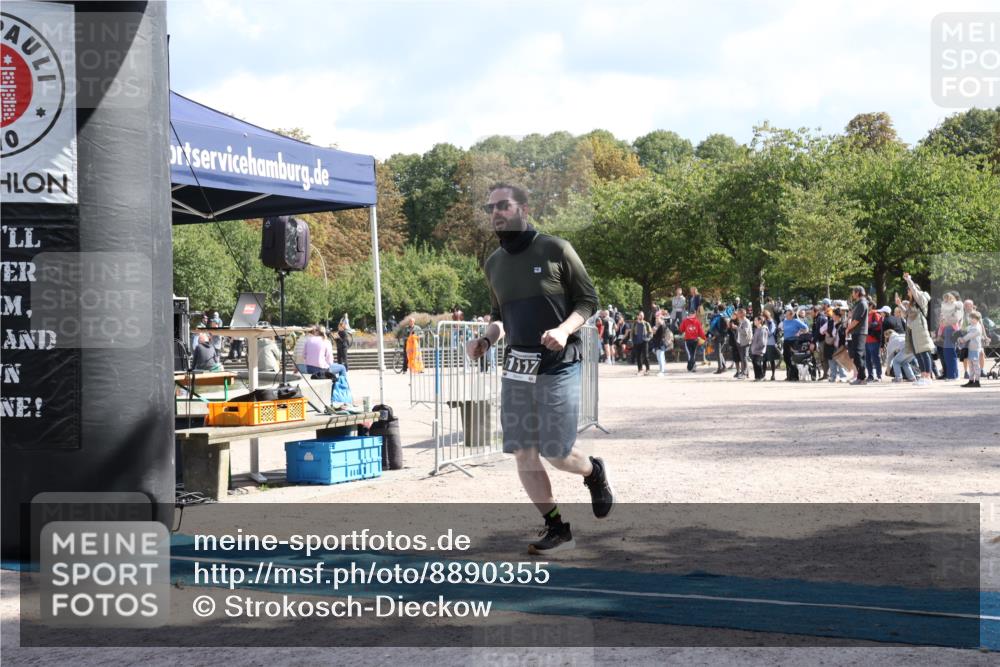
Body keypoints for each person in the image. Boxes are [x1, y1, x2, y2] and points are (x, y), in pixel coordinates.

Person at [465, 182, 612, 555]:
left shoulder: (556, 249)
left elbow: (588, 301)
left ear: (523, 209)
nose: (496, 212)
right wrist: (486, 340)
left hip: (558, 363)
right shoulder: (493, 263)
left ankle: (592, 471)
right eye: (491, 207)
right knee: (522, 451)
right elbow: (500, 317)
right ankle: (557, 528)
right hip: (517, 368)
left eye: (503, 205)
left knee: (557, 452)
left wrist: (564, 331)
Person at [899, 273, 935, 386]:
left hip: (920, 328)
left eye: (909, 290)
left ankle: (927, 376)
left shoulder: (920, 299)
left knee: (924, 352)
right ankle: (923, 375)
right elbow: (907, 315)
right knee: (918, 354)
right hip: (913, 330)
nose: (908, 292)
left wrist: (909, 280)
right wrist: (900, 305)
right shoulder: (912, 303)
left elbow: (914, 290)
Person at [844, 286, 870, 385]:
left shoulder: (862, 304)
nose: (852, 294)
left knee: (858, 355)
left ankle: (862, 378)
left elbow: (856, 320)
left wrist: (848, 328)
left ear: (858, 292)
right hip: (856, 332)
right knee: (857, 355)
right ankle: (860, 377)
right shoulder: (858, 303)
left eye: (853, 292)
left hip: (860, 332)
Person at [936, 291, 963, 380]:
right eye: (944, 300)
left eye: (947, 299)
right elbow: (941, 323)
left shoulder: (956, 307)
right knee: (948, 354)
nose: (945, 301)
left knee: (951, 354)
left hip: (952, 331)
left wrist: (945, 321)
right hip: (946, 331)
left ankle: (953, 375)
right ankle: (952, 375)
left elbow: (956, 320)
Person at [958, 311, 986, 388]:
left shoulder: (977, 327)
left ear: (977, 319)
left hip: (975, 348)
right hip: (970, 348)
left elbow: (970, 335)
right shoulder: (971, 326)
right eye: (970, 318)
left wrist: (962, 339)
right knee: (970, 365)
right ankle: (971, 381)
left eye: (972, 318)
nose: (970, 319)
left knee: (976, 365)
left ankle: (977, 381)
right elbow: (964, 331)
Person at [780, 308, 809, 381]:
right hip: (786, 341)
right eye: (785, 314)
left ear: (791, 315)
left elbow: (806, 328)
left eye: (787, 314)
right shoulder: (785, 321)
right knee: (786, 358)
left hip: (794, 341)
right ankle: (790, 375)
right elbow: (782, 328)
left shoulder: (796, 321)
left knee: (793, 358)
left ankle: (795, 376)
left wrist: (800, 332)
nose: (785, 315)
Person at [864, 304, 884, 383]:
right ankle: (870, 376)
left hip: (874, 341)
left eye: (867, 305)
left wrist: (867, 326)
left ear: (871, 306)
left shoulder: (876, 314)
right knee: (867, 360)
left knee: (876, 359)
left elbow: (878, 325)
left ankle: (879, 376)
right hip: (866, 340)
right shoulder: (867, 315)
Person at [708, 305, 729, 374]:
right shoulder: (726, 316)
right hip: (725, 336)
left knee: (718, 352)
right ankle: (724, 367)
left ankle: (720, 368)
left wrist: (712, 334)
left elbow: (711, 327)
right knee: (720, 352)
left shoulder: (717, 316)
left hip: (718, 336)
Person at [631, 311, 652, 375]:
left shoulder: (646, 324)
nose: (642, 316)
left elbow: (650, 333)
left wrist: (648, 339)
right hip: (637, 342)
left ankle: (648, 369)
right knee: (638, 356)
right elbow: (632, 333)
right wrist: (632, 340)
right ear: (637, 316)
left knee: (646, 356)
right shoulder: (634, 324)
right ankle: (640, 369)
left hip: (644, 341)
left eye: (642, 315)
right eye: (640, 315)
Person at [733, 308, 752, 379]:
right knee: (742, 358)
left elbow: (745, 332)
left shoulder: (746, 321)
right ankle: (745, 373)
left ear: (742, 314)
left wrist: (736, 328)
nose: (737, 314)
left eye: (738, 313)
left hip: (745, 342)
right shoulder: (741, 321)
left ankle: (745, 373)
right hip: (740, 342)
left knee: (744, 358)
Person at [750, 315, 768, 381]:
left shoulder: (763, 330)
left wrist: (756, 347)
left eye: (755, 320)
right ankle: (757, 377)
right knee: (754, 363)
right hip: (755, 350)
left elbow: (762, 342)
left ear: (760, 321)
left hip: (759, 350)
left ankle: (761, 376)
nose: (754, 321)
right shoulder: (757, 329)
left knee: (757, 363)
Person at [762, 309, 778, 381]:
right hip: (764, 343)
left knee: (771, 360)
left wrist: (764, 332)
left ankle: (773, 375)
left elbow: (771, 332)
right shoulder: (763, 322)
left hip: (770, 343)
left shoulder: (772, 322)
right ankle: (763, 375)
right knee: (764, 360)